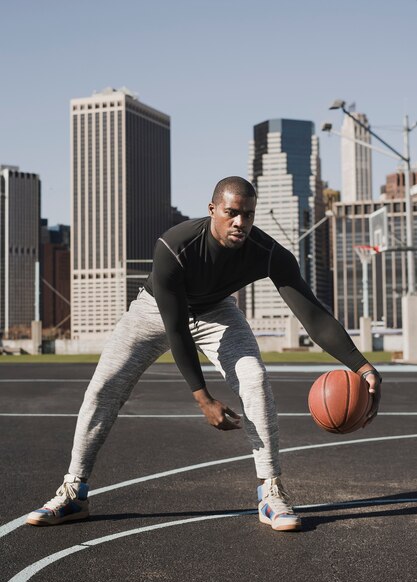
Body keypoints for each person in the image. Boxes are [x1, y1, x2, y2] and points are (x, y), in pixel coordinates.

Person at [27, 176, 382, 532]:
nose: (240, 223)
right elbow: (177, 326)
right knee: (104, 388)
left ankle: (270, 491)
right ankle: (74, 491)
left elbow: (315, 318)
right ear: (213, 210)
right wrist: (203, 397)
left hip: (217, 311)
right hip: (155, 312)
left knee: (254, 377)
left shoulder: (269, 253)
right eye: (231, 213)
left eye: (248, 215)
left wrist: (363, 367)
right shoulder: (174, 245)